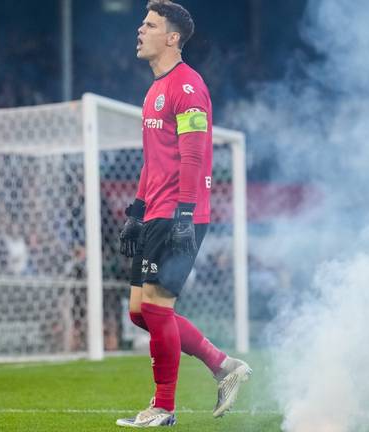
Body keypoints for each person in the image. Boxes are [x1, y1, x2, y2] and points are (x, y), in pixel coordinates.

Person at [116, 1, 250, 427]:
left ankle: (163, 408)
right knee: (140, 311)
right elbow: (152, 161)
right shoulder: (154, 88)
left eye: (150, 24)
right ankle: (222, 365)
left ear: (172, 38)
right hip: (156, 210)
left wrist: (184, 215)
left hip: (178, 213)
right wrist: (136, 212)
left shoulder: (187, 87)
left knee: (156, 308)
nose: (140, 30)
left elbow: (194, 156)